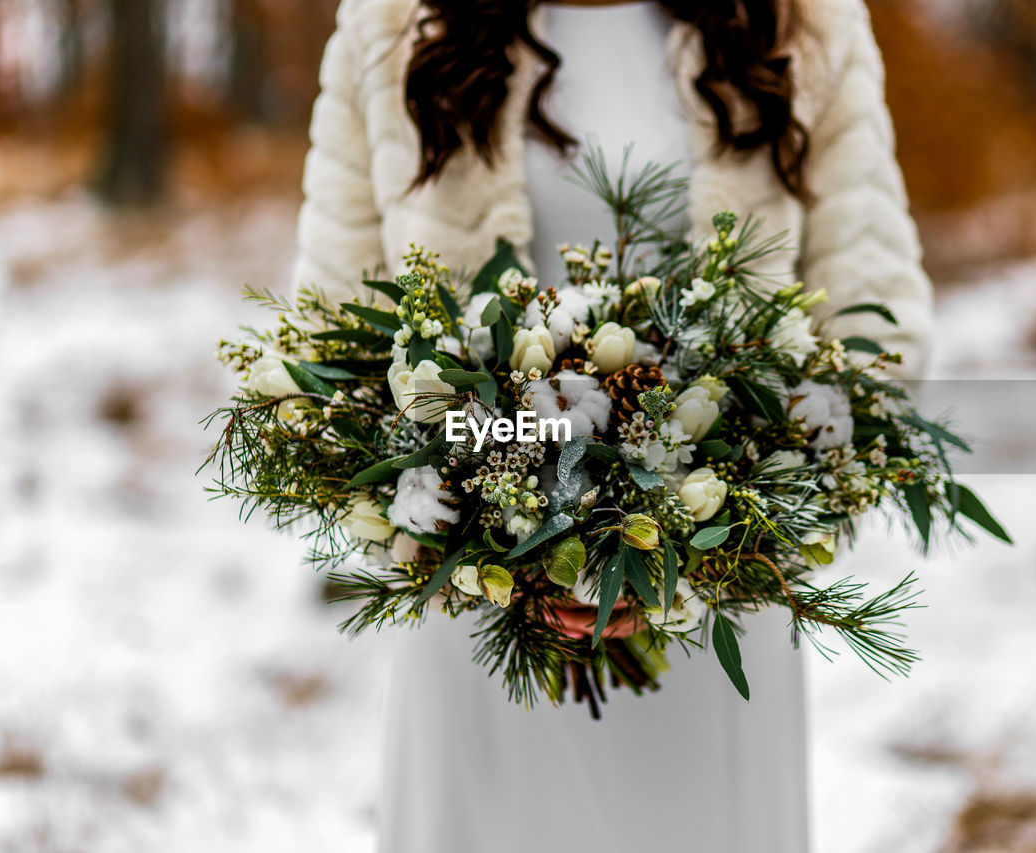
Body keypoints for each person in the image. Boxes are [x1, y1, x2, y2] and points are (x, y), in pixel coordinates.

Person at [291, 1, 932, 850]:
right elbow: (334, 328)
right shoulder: (397, 23)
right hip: (483, 616)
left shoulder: (798, 22)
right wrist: (481, 545)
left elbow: (872, 331)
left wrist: (714, 538)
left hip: (714, 609)